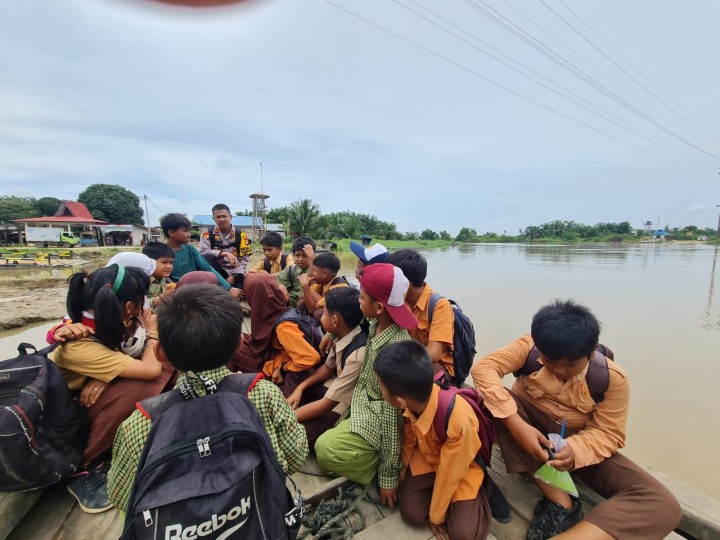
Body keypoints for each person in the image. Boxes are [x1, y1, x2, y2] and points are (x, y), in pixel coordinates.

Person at [471, 300, 682, 540]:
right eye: (549, 363)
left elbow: (608, 434)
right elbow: (484, 369)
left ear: (591, 352)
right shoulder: (528, 347)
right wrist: (517, 425)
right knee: (484, 401)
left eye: (570, 365)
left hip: (575, 443)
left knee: (663, 504)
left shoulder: (612, 379)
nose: (559, 371)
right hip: (526, 426)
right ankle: (561, 502)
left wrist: (574, 451)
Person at [107, 283, 309, 513]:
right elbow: (296, 457)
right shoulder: (263, 393)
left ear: (160, 352)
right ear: (239, 343)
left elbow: (122, 497)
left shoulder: (141, 424)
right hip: (259, 515)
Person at [49, 264, 175, 513]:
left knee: (164, 362)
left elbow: (112, 356)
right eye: (142, 301)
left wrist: (106, 377)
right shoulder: (78, 341)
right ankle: (84, 466)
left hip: (83, 404)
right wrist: (152, 333)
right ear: (129, 306)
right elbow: (150, 370)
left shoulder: (101, 321)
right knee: (150, 377)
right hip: (63, 423)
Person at [315, 263, 419, 508]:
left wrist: (388, 476)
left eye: (362, 297)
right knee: (324, 436)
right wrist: (331, 334)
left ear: (380, 307)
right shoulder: (375, 323)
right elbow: (352, 318)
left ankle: (375, 465)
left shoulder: (394, 349)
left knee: (324, 449)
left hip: (379, 415)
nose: (358, 302)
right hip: (360, 402)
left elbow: (394, 415)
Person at [375, 340, 491, 540]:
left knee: (464, 534)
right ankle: (440, 503)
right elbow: (410, 440)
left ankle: (481, 493)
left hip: (460, 466)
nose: (380, 389)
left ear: (400, 400)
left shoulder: (458, 421)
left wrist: (436, 517)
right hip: (428, 456)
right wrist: (401, 477)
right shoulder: (413, 402)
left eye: (381, 386)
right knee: (412, 513)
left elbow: (450, 473)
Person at [286, 287, 366, 447]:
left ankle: (290, 412)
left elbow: (325, 406)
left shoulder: (358, 354)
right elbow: (326, 369)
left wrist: (285, 417)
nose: (321, 317)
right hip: (331, 391)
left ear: (335, 321)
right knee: (296, 373)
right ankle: (293, 405)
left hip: (342, 406)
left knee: (294, 436)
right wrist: (300, 388)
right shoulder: (340, 334)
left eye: (324, 313)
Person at [228, 272, 321, 397]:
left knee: (233, 350)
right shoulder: (278, 308)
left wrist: (282, 370)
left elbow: (310, 358)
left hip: (291, 365)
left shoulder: (284, 327)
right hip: (287, 352)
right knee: (236, 339)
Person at [387, 249, 454, 377]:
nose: (389, 282)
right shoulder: (400, 299)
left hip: (436, 366)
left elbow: (433, 355)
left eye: (392, 279)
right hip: (411, 356)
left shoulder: (439, 306)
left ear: (406, 282)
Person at [159, 213, 241, 299]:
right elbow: (164, 280)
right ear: (171, 232)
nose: (189, 234)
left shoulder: (189, 248)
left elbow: (207, 267)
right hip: (178, 291)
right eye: (185, 231)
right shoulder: (161, 253)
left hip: (197, 285)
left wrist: (228, 288)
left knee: (212, 279)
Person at [198, 203, 252, 290]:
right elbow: (202, 252)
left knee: (242, 293)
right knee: (207, 257)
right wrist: (224, 254)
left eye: (224, 216)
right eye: (218, 217)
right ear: (213, 219)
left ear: (230, 216)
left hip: (236, 272)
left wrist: (234, 276)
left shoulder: (241, 234)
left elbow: (245, 259)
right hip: (215, 272)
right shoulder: (207, 233)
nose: (222, 219)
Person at [298, 251, 349, 321]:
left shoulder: (338, 288)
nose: (312, 273)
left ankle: (321, 331)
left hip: (342, 319)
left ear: (324, 273)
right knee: (302, 303)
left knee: (318, 314)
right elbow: (302, 296)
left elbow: (312, 310)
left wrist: (305, 286)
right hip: (326, 307)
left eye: (315, 270)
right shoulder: (324, 282)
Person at [275, 236, 316, 308]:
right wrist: (280, 287)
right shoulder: (291, 269)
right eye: (297, 255)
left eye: (305, 256)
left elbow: (315, 281)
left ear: (312, 255)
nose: (300, 259)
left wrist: (311, 259)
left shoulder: (318, 270)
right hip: (290, 305)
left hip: (309, 306)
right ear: (293, 255)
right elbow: (277, 283)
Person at [141, 241, 176, 311]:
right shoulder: (142, 282)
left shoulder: (165, 280)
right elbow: (139, 306)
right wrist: (162, 298)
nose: (169, 266)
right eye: (164, 262)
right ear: (150, 262)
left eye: (171, 263)